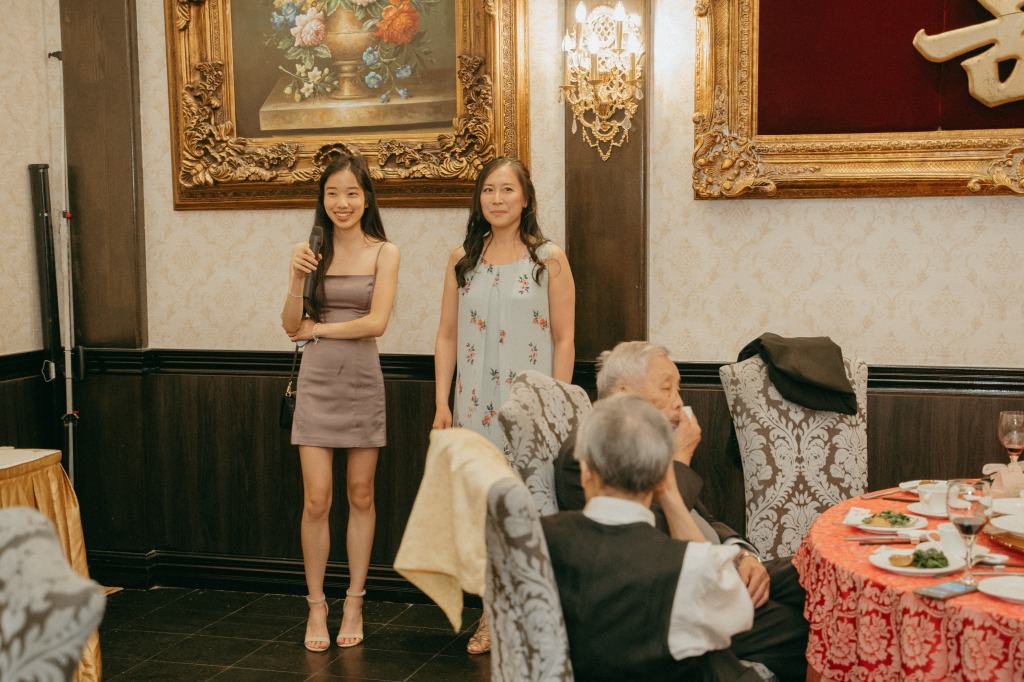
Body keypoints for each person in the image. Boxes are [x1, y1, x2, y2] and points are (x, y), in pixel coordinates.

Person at [553, 341, 808, 681]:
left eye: (678, 388)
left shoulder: (650, 443)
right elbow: (639, 540)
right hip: (680, 596)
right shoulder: (590, 453)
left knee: (814, 573)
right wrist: (679, 463)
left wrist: (741, 553)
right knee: (807, 624)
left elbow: (705, 518)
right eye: (666, 388)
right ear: (625, 394)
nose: (678, 401)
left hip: (720, 566)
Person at [432, 156, 575, 654]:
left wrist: (556, 405)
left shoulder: (548, 259)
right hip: (472, 406)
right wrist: (441, 402)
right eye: (488, 190)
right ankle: (493, 616)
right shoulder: (462, 259)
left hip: (529, 408)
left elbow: (564, 338)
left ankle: (539, 616)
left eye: (507, 189)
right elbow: (446, 335)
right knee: (485, 513)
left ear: (526, 198)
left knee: (532, 512)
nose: (497, 199)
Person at [542, 394, 765, 681]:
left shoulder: (537, 538)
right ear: (661, 477)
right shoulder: (694, 566)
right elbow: (737, 619)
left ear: (585, 471)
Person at [281, 151, 400, 653]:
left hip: (362, 381)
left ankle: (354, 600)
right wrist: (295, 277)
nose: (342, 202)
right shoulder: (311, 251)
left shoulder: (385, 252)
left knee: (361, 494)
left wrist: (321, 329)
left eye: (351, 192)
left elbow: (376, 323)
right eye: (332, 193)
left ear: (366, 198)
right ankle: (316, 605)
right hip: (316, 382)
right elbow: (291, 326)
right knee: (316, 498)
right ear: (322, 199)